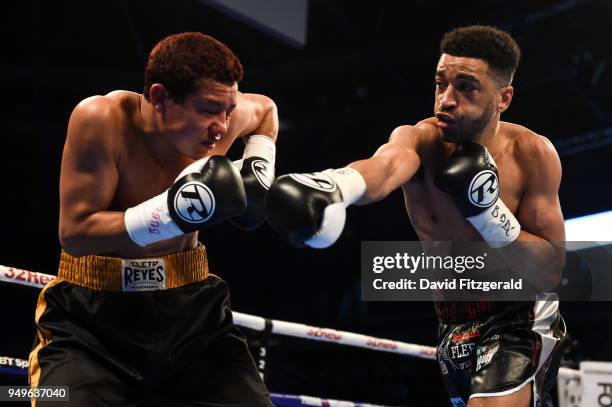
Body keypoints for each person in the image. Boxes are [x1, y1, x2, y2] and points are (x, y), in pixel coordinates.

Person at [265, 26, 566, 407]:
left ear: (503, 97)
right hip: (451, 323)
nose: (447, 100)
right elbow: (384, 169)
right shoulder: (420, 140)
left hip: (519, 316)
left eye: (466, 87)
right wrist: (333, 186)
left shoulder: (532, 153)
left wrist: (489, 215)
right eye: (441, 84)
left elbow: (551, 270)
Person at [28, 32, 277, 406]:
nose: (223, 126)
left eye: (227, 110)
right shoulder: (103, 119)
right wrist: (171, 215)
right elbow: (75, 233)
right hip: (90, 323)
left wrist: (259, 166)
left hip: (194, 320)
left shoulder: (226, 118)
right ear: (160, 97)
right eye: (209, 110)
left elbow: (267, 111)